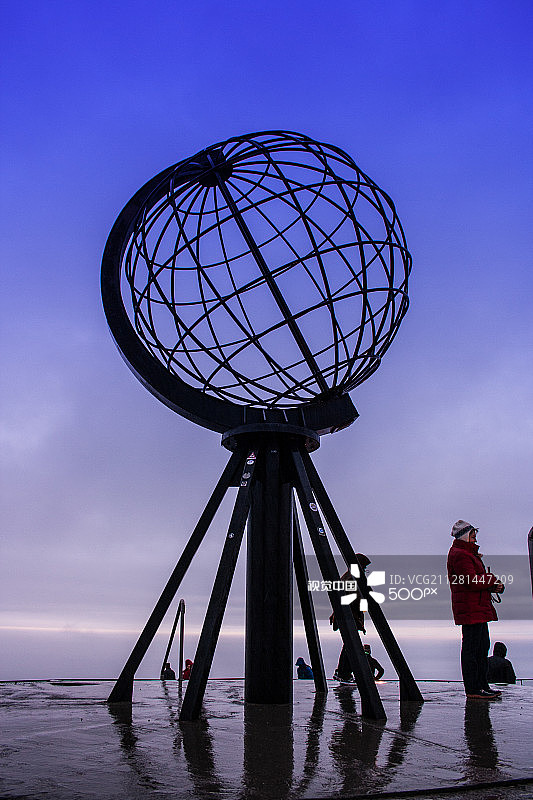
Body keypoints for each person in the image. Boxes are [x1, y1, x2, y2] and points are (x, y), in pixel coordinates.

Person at [447, 520, 505, 700]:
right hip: (471, 609)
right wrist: (492, 580)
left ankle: (481, 686)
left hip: (476, 608)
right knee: (473, 649)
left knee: (481, 648)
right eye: (473, 535)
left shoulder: (466, 554)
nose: (475, 538)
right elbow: (471, 581)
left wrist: (490, 585)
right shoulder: (460, 555)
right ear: (465, 536)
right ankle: (473, 688)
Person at [331, 554, 370, 684]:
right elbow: (356, 600)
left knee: (349, 644)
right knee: (351, 645)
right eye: (364, 567)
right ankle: (344, 673)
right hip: (349, 616)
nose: (365, 570)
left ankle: (343, 673)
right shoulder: (351, 579)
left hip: (347, 616)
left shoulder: (347, 577)